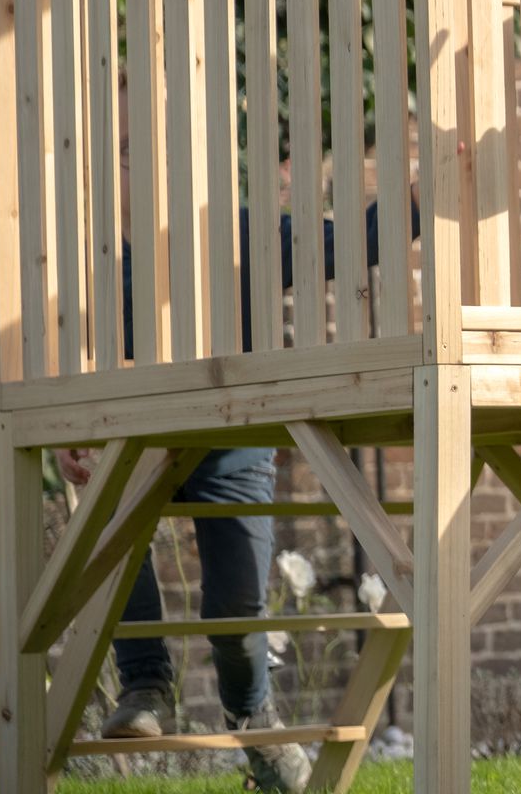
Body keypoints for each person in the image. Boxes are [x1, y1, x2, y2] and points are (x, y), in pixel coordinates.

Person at [56, 196, 414, 793]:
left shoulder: (235, 224)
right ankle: (144, 684)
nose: (136, 157)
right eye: (123, 145)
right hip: (133, 426)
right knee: (112, 547)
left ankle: (253, 717)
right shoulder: (91, 240)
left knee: (236, 605)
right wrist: (71, 420)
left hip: (233, 430)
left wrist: (417, 201)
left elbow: (341, 243)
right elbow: (62, 328)